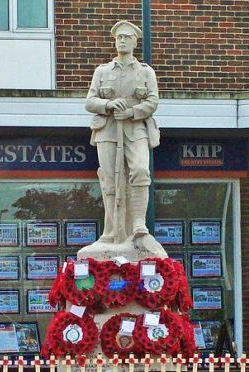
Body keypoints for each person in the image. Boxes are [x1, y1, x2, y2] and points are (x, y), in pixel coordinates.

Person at [85, 20, 159, 244]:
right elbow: (90, 101)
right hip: (107, 130)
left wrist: (131, 112)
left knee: (140, 170)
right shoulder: (102, 71)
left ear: (135, 42)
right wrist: (108, 105)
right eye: (119, 37)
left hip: (136, 129)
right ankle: (112, 229)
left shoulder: (145, 72)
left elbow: (153, 101)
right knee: (109, 179)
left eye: (127, 37)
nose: (123, 41)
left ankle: (138, 224)